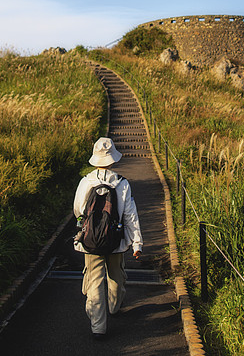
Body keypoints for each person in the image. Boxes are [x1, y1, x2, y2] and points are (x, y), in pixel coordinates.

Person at [73, 137, 143, 339]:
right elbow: (130, 215)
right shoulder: (122, 184)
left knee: (94, 281)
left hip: (91, 242)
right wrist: (136, 243)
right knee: (116, 277)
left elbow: (78, 209)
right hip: (116, 241)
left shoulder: (86, 182)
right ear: (113, 160)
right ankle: (114, 307)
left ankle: (98, 327)